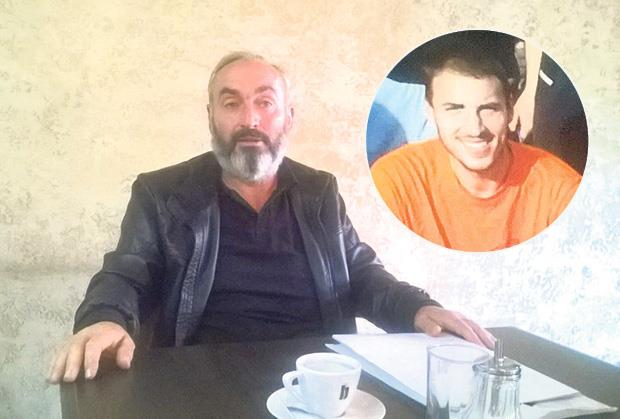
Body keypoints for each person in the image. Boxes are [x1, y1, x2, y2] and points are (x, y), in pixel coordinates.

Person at [49, 52, 494, 384]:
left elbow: (361, 274)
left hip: (316, 377)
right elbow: (127, 273)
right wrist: (104, 317)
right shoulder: (162, 192)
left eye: (265, 103)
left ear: (288, 117)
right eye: (231, 103)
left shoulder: (319, 191)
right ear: (211, 116)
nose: (250, 119)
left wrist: (418, 308)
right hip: (203, 380)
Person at [371, 37, 582, 252]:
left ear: (510, 109)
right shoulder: (395, 182)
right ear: (430, 112)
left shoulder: (559, 190)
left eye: (489, 108)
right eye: (455, 109)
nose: (475, 129)